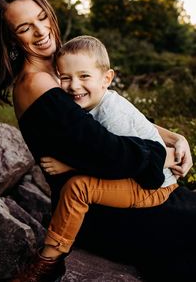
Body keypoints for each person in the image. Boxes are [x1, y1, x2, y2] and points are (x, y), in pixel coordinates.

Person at [0, 0, 193, 282]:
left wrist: (173, 136)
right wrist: (161, 153)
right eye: (25, 28)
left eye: (42, 17)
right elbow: (109, 152)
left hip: (124, 195)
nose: (41, 32)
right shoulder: (36, 85)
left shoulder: (60, 69)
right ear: (10, 39)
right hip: (103, 213)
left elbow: (108, 113)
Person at [38, 34, 179, 260]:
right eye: (65, 77)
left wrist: (68, 165)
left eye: (84, 76)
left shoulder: (111, 114)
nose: (74, 86)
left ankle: (49, 257)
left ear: (106, 78)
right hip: (138, 170)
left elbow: (114, 162)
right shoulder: (90, 103)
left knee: (78, 188)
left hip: (153, 185)